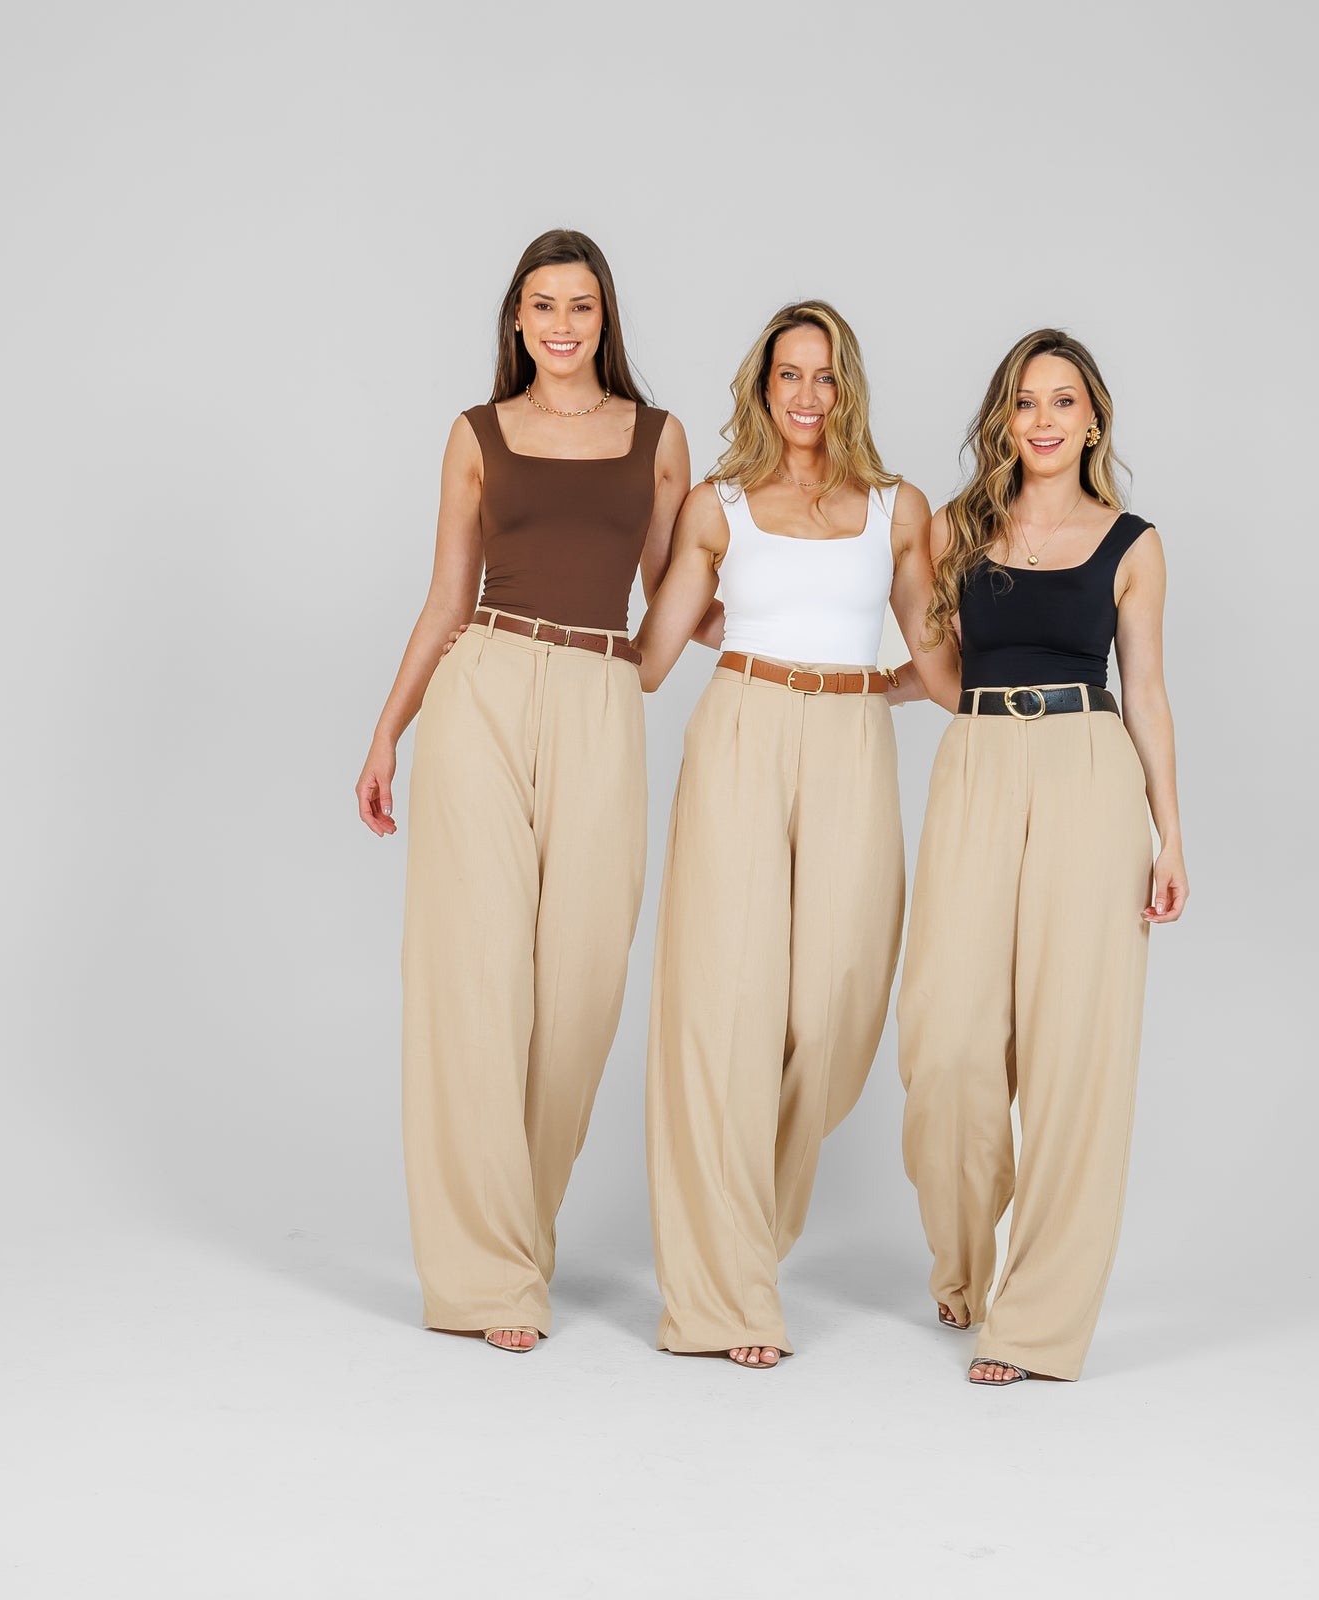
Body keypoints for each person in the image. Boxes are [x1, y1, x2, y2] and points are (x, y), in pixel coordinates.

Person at [354, 229, 688, 1354]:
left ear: (606, 318)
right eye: (543, 304)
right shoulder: (477, 435)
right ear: (516, 318)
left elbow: (671, 590)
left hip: (601, 690)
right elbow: (444, 598)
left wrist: (782, 604)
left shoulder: (658, 439)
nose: (562, 325)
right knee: (476, 977)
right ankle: (485, 1276)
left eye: (581, 306)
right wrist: (387, 733)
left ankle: (517, 1230)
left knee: (582, 985)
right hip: (483, 687)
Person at [629, 300, 945, 1369]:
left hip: (852, 734)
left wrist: (890, 686)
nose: (806, 396)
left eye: (824, 376)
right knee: (727, 1010)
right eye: (788, 376)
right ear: (762, 389)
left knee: (835, 1001)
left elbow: (942, 666)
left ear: (847, 387)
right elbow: (652, 656)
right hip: (741, 727)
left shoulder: (899, 509)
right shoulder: (717, 507)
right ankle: (729, 1292)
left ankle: (742, 1236)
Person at [896, 328, 1187, 1385]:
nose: (1045, 419)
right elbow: (931, 662)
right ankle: (966, 1262)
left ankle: (1035, 1323)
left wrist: (1169, 833)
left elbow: (1145, 693)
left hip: (1090, 771)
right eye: (1026, 402)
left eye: (1064, 401)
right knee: (948, 1042)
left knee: (1077, 1053)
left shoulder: (1133, 544)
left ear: (1093, 418)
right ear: (1004, 420)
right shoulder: (956, 528)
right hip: (977, 758)